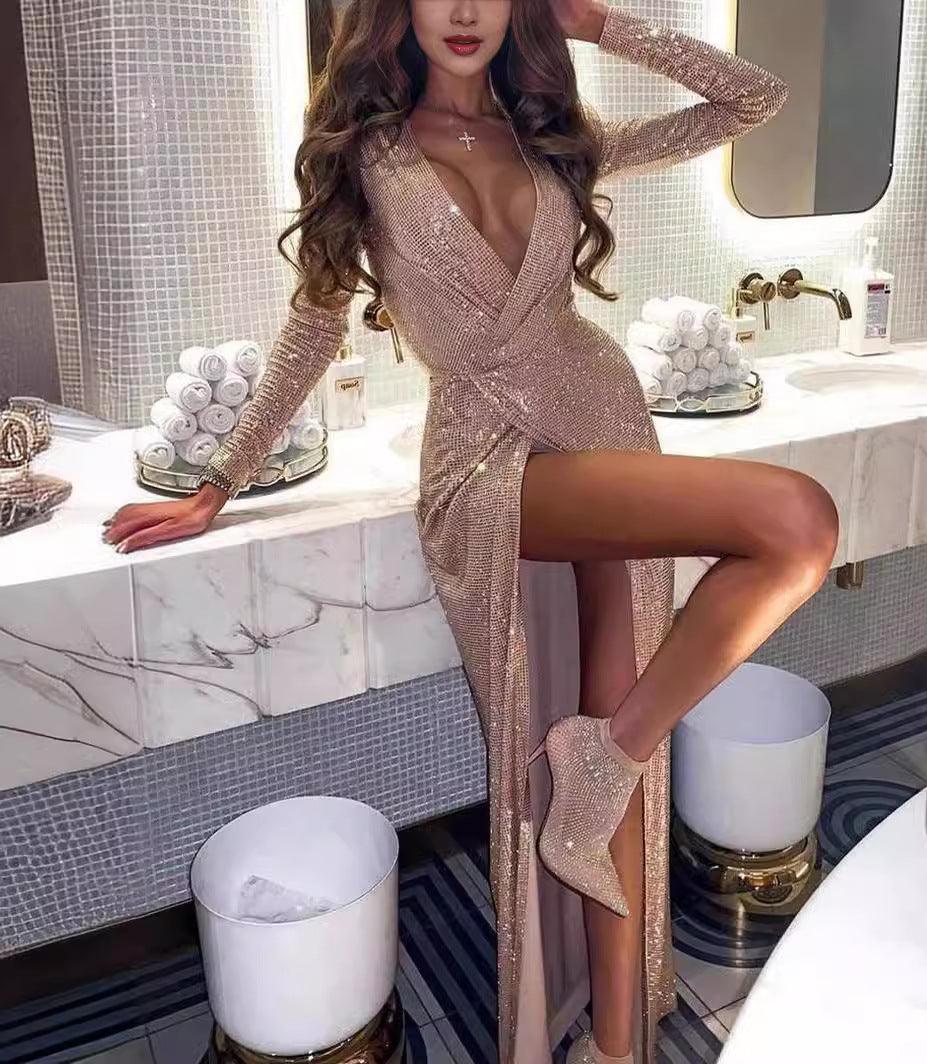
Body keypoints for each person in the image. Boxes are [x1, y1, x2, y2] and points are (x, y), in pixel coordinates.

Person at [103, 3, 828, 1062]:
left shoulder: (556, 138)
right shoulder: (366, 155)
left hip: (604, 420)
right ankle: (601, 764)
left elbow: (752, 100)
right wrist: (219, 480)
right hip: (488, 460)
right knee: (795, 519)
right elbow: (312, 325)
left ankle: (616, 1039)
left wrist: (603, 25)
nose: (461, 9)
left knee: (625, 728)